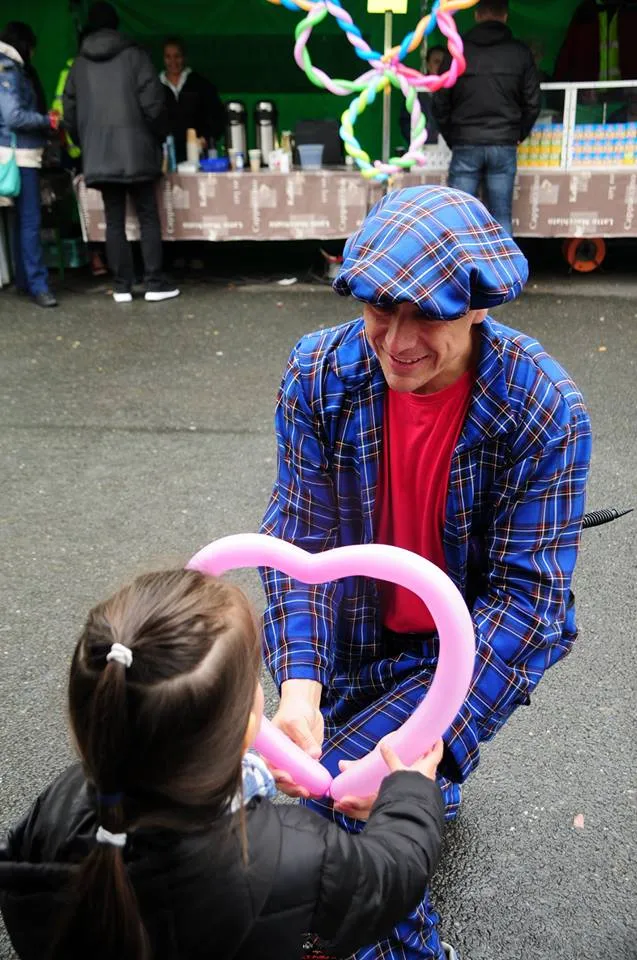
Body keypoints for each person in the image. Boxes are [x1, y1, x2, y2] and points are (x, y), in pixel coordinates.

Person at [260, 184, 592, 960]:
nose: (397, 340)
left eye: (429, 314)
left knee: (338, 817)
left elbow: (529, 604)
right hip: (350, 632)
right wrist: (298, 692)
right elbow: (297, 538)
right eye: (380, 306)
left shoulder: (543, 409)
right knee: (304, 775)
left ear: (478, 307)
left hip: (460, 649)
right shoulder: (317, 372)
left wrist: (430, 728)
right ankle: (422, 787)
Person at [0, 568, 445, 960]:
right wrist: (411, 795)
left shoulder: (59, 803)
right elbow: (389, 874)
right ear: (248, 721)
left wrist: (239, 771)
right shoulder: (291, 850)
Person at [63, 2, 179, 303]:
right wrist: (159, 136)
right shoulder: (135, 57)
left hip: (99, 156)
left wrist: (86, 143)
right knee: (147, 216)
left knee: (114, 221)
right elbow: (154, 105)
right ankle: (154, 283)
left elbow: (69, 115)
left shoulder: (78, 65)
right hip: (137, 152)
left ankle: (122, 286)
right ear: (117, 25)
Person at [432, 0, 540, 236]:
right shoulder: (520, 53)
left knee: (458, 216)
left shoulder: (457, 52)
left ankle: (458, 271)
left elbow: (439, 100)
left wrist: (454, 137)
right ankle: (503, 273)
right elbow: (533, 103)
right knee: (500, 215)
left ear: (477, 15)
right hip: (504, 143)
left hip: (465, 142)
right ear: (505, 17)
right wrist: (517, 134)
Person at [0, 21, 60, 308]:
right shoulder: (9, 70)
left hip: (13, 154)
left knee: (18, 222)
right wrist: (45, 121)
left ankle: (25, 280)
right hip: (20, 156)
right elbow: (13, 116)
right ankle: (39, 285)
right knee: (30, 222)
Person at [160, 37, 225, 164]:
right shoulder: (155, 87)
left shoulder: (200, 84)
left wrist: (205, 138)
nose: (173, 61)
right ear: (163, 59)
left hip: (198, 156)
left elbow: (217, 116)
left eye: (177, 56)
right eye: (168, 56)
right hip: (166, 157)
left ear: (184, 57)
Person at [399, 45, 445, 147]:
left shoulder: (454, 90)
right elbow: (405, 121)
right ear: (428, 65)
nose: (440, 66)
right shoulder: (416, 91)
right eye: (436, 62)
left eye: (444, 63)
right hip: (421, 149)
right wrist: (418, 142)